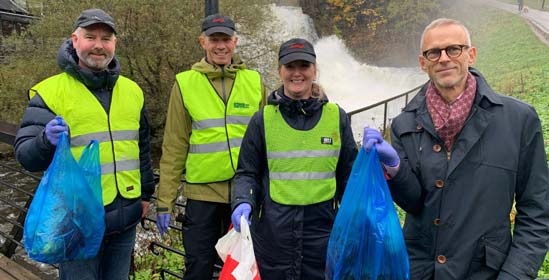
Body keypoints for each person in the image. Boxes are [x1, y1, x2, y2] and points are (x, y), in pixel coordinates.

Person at [363, 18, 549, 279]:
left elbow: (538, 212)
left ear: (470, 54)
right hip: (421, 271)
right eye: (433, 52)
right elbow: (415, 202)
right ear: (423, 63)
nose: (444, 58)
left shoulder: (518, 119)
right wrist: (395, 169)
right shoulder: (404, 123)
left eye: (454, 49)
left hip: (485, 272)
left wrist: (514, 276)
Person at [14, 8, 155, 280]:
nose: (99, 46)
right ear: (75, 40)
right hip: (76, 222)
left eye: (106, 39)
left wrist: (146, 194)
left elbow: (142, 148)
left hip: (125, 217)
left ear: (115, 43)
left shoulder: (133, 91)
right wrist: (45, 141)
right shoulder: (50, 93)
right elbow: (25, 157)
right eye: (90, 37)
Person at [231, 38, 358, 280]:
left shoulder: (337, 117)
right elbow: (247, 173)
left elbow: (349, 174)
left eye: (304, 66)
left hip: (323, 235)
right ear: (280, 71)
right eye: (290, 66)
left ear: (315, 70)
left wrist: (359, 214)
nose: (297, 73)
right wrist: (241, 201)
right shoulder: (262, 120)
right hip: (273, 236)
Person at [155, 14, 267, 280]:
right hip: (203, 198)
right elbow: (174, 146)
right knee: (199, 267)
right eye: (214, 39)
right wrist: (165, 202)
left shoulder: (254, 81)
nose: (221, 46)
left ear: (235, 41)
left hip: (246, 198)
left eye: (226, 39)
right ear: (202, 41)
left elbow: (269, 141)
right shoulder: (185, 84)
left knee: (246, 269)